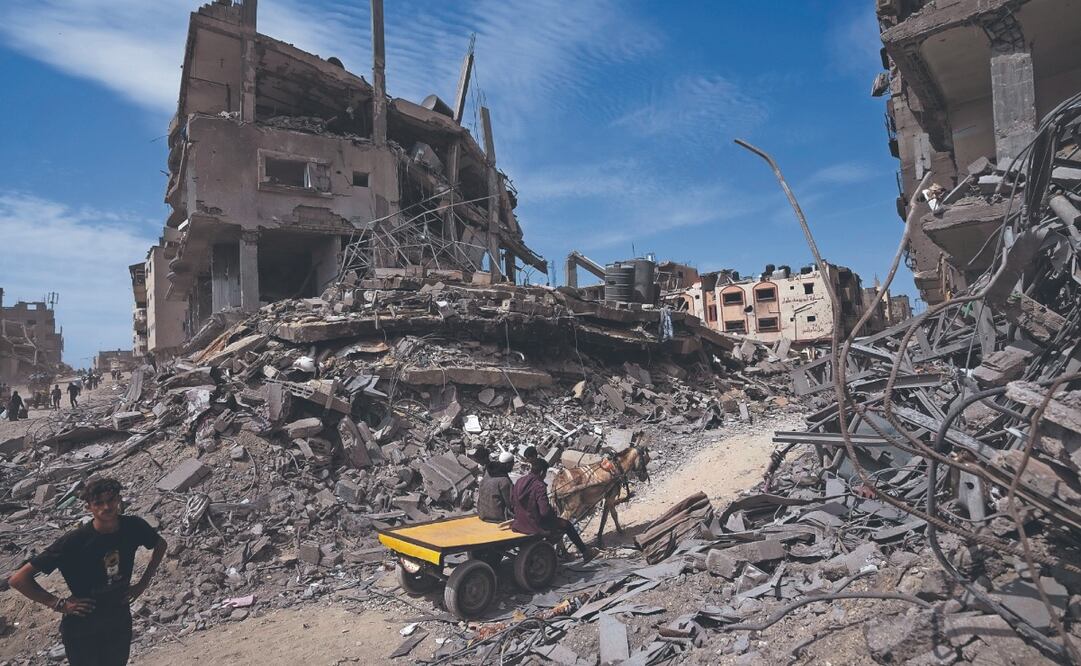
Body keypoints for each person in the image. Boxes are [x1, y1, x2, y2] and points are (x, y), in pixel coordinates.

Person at [8, 477, 166, 666]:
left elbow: (160, 545)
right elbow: (18, 579)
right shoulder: (74, 541)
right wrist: (58, 604)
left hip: (118, 619)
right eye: (98, 503)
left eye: (111, 500)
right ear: (88, 507)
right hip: (83, 627)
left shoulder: (133, 527)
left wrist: (142, 584)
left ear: (119, 500)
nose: (106, 507)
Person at [511, 458, 595, 562]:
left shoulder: (519, 481)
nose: (545, 476)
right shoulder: (539, 486)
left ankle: (562, 552)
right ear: (542, 472)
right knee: (567, 525)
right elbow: (544, 512)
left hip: (519, 522)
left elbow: (512, 501)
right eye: (545, 473)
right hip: (534, 524)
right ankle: (585, 552)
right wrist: (553, 516)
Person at [477, 452, 514, 523]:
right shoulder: (504, 481)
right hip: (497, 517)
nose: (512, 467)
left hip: (483, 515)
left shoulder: (487, 473)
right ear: (507, 464)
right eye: (512, 464)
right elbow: (510, 503)